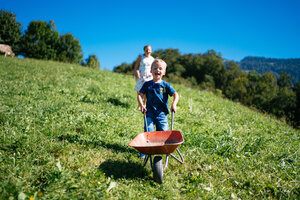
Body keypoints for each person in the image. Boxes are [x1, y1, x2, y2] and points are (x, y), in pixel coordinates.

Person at [137, 59, 179, 157]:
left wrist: (174, 104)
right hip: (149, 113)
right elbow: (140, 95)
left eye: (160, 69)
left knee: (164, 133)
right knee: (149, 132)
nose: (158, 70)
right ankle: (144, 152)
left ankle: (162, 149)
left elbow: (175, 94)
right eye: (155, 68)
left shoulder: (165, 85)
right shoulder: (147, 84)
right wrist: (141, 104)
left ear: (164, 72)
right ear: (151, 71)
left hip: (162, 114)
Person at [134, 45, 155, 109]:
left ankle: (145, 104)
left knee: (147, 91)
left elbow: (154, 68)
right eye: (146, 49)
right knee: (139, 90)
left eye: (149, 50)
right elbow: (136, 66)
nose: (148, 51)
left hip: (149, 77)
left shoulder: (152, 59)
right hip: (141, 76)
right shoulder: (141, 57)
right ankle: (140, 104)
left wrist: (153, 74)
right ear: (144, 50)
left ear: (151, 51)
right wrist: (136, 72)